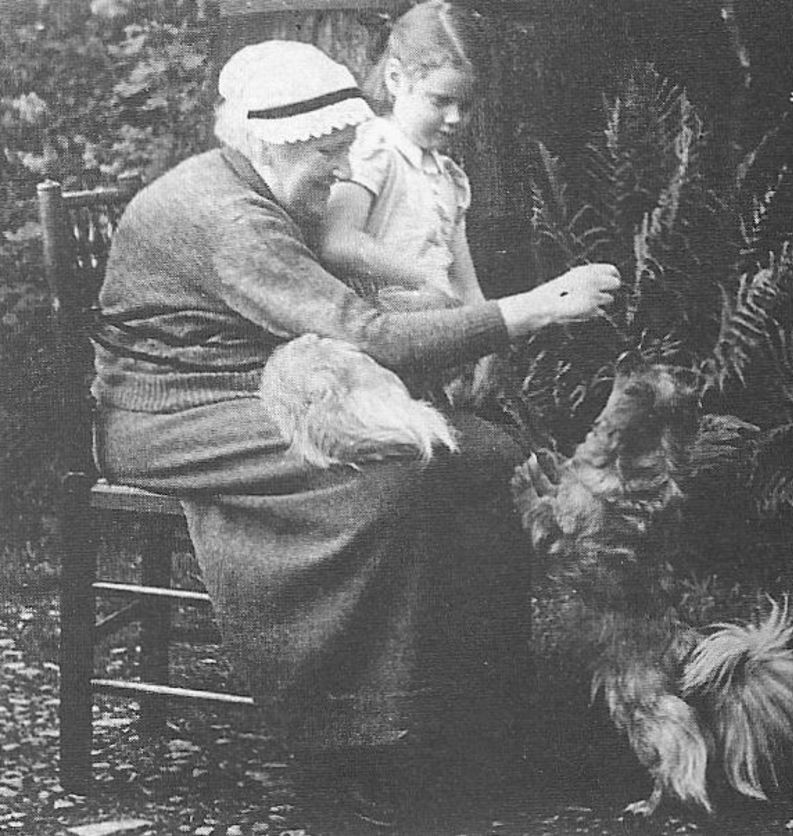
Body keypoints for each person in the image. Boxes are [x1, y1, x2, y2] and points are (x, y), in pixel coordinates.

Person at [91, 39, 620, 825]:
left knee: (486, 453)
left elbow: (349, 322)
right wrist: (532, 308)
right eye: (331, 156)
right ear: (280, 142)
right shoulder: (229, 217)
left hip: (261, 383)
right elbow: (364, 334)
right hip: (172, 416)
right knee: (384, 475)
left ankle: (473, 718)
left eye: (345, 153)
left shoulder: (259, 189)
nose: (341, 174)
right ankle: (342, 742)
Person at [315, 1, 497, 405]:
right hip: (378, 333)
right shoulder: (374, 147)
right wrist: (419, 280)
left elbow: (465, 281)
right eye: (440, 101)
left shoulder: (449, 177)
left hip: (437, 337)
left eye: (465, 106)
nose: (454, 118)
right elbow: (337, 240)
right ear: (396, 79)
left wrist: (487, 340)